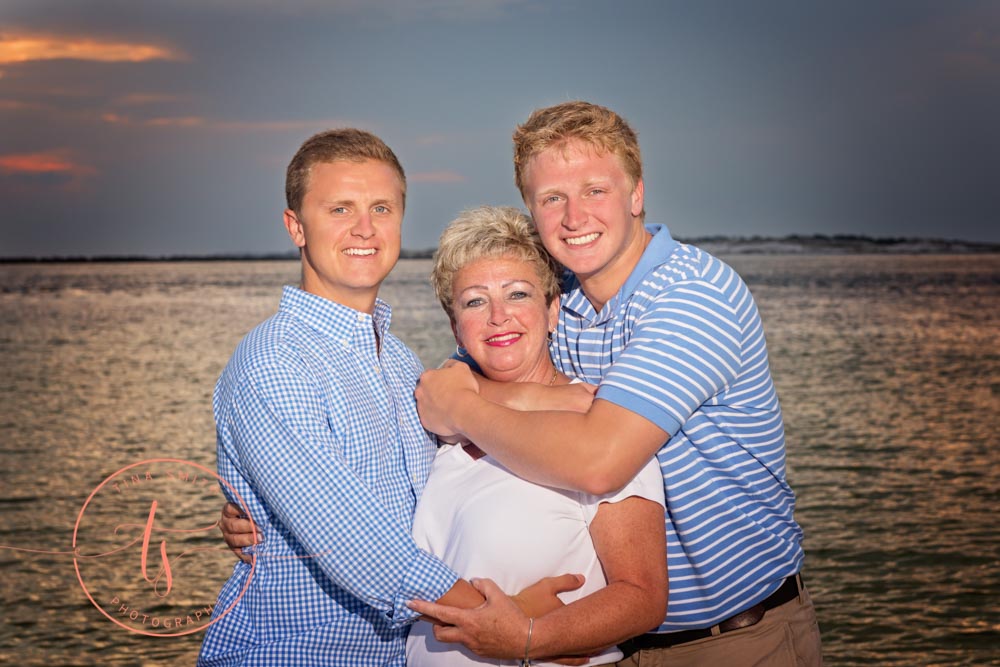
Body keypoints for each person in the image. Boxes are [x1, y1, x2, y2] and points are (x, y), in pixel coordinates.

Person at [412, 101, 824, 666]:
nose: (574, 216)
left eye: (594, 190)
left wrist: (460, 409)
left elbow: (598, 463)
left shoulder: (693, 296)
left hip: (734, 637)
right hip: (616, 644)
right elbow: (469, 360)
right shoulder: (562, 293)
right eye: (552, 198)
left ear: (636, 196)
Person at [199, 129, 571, 666]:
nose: (365, 229)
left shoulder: (399, 362)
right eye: (340, 209)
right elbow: (358, 548)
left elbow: (498, 408)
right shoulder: (275, 364)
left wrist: (592, 406)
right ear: (295, 227)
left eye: (381, 207)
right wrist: (505, 620)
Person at [407, 205, 667, 665]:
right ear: (456, 328)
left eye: (518, 294)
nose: (498, 316)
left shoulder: (597, 424)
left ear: (552, 311)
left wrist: (533, 637)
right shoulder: (438, 422)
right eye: (474, 301)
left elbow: (642, 596)